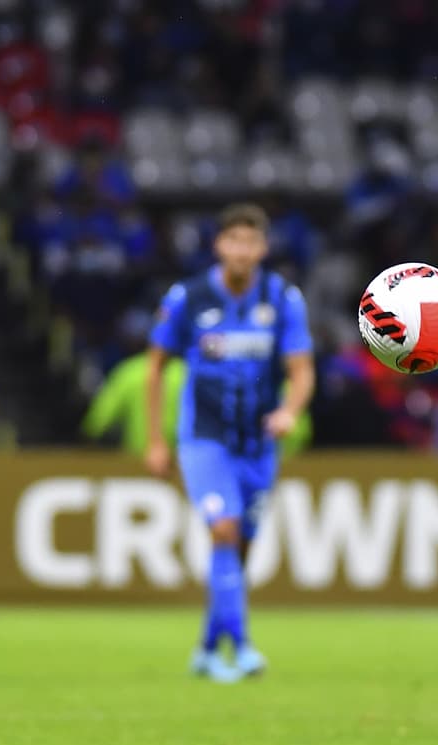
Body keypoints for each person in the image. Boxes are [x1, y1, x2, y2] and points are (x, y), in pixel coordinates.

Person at [146, 203, 315, 683]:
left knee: (239, 549)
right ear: (219, 245)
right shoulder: (189, 297)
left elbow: (302, 371)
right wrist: (156, 440)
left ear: (263, 249)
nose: (242, 250)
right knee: (223, 529)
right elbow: (155, 367)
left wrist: (290, 411)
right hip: (205, 438)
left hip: (258, 444)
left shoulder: (282, 299)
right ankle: (240, 647)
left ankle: (206, 647)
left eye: (251, 242)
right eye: (234, 240)